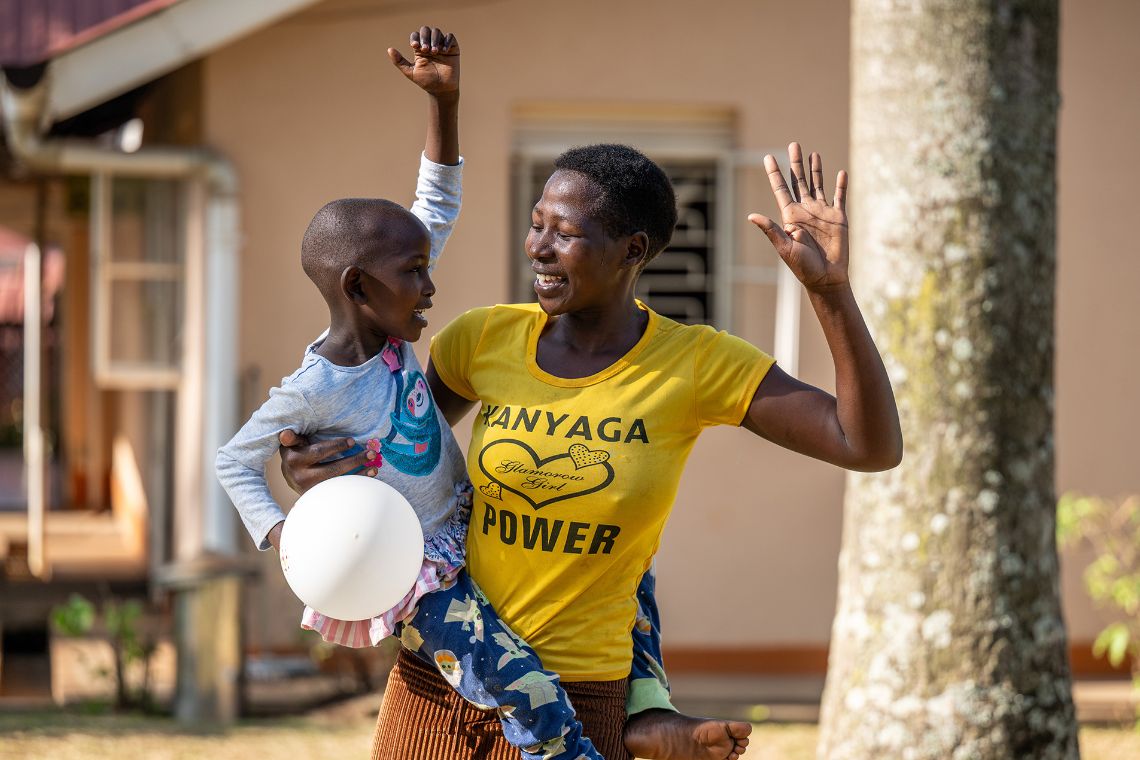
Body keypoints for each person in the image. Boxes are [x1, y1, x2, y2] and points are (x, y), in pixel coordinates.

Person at [281, 134, 903, 759]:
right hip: (439, 685)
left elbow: (866, 445)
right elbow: (392, 456)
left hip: (576, 704)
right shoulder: (482, 339)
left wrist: (829, 293)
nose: (538, 249)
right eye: (535, 225)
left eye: (564, 233)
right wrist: (312, 467)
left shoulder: (695, 364)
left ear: (632, 250)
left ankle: (647, 716)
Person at [219, 28, 713, 760]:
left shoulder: (393, 339)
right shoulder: (313, 388)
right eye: (414, 274)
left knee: (629, 570)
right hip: (418, 576)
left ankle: (647, 703)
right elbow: (235, 462)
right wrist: (287, 531)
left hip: (465, 531)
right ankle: (570, 751)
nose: (431, 284)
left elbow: (437, 203)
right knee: (524, 688)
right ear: (360, 287)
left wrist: (444, 104)